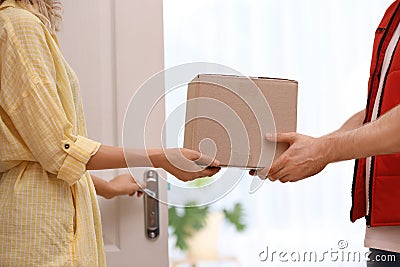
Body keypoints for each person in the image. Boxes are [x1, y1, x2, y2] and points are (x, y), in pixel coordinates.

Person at [0, 0, 220, 266]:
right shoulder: (18, 26)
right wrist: (161, 158)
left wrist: (106, 188)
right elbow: (59, 150)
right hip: (38, 232)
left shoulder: (26, 25)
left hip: (49, 223)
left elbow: (41, 153)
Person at [252, 1, 400, 266]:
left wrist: (322, 151)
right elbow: (381, 109)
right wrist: (314, 147)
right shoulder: (395, 13)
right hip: (386, 236)